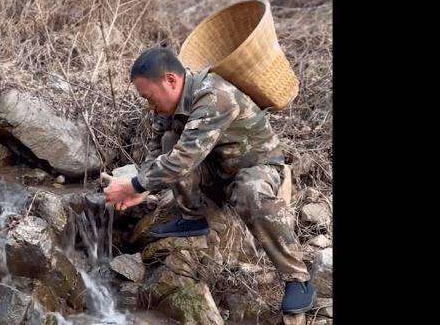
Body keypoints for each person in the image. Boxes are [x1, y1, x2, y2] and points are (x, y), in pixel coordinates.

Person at [102, 46, 316, 314]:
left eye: (149, 96)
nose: (149, 103)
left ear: (170, 80)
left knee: (249, 190)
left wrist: (134, 184)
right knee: (171, 140)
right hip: (217, 170)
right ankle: (193, 219)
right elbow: (157, 150)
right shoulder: (167, 107)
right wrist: (142, 188)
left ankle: (298, 278)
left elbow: (186, 157)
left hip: (255, 167)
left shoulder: (214, 95)